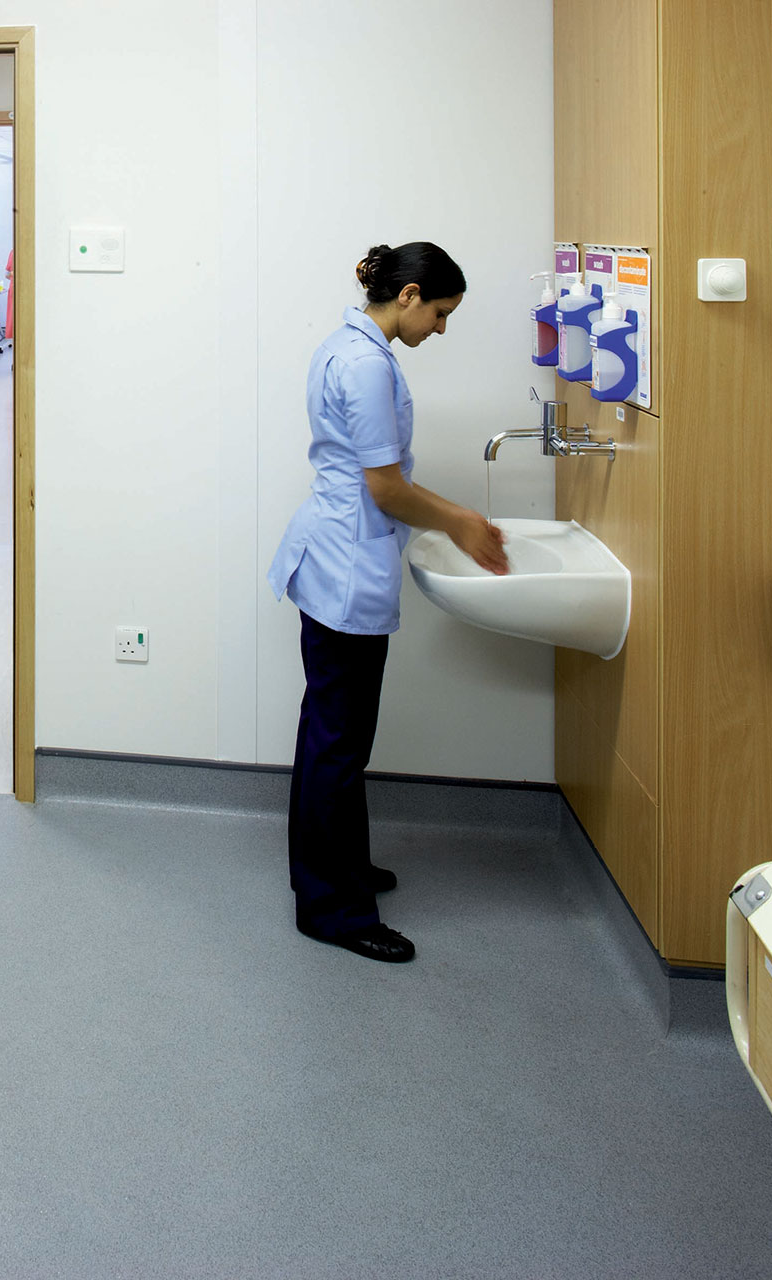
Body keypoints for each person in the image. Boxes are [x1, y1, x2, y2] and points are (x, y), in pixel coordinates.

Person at [266, 242, 508, 964]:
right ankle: (332, 908)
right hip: (344, 564)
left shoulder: (346, 345)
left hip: (336, 552)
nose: (441, 328)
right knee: (338, 741)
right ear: (407, 296)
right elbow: (386, 487)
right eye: (440, 313)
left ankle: (337, 866)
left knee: (333, 733)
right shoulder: (367, 364)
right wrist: (461, 521)